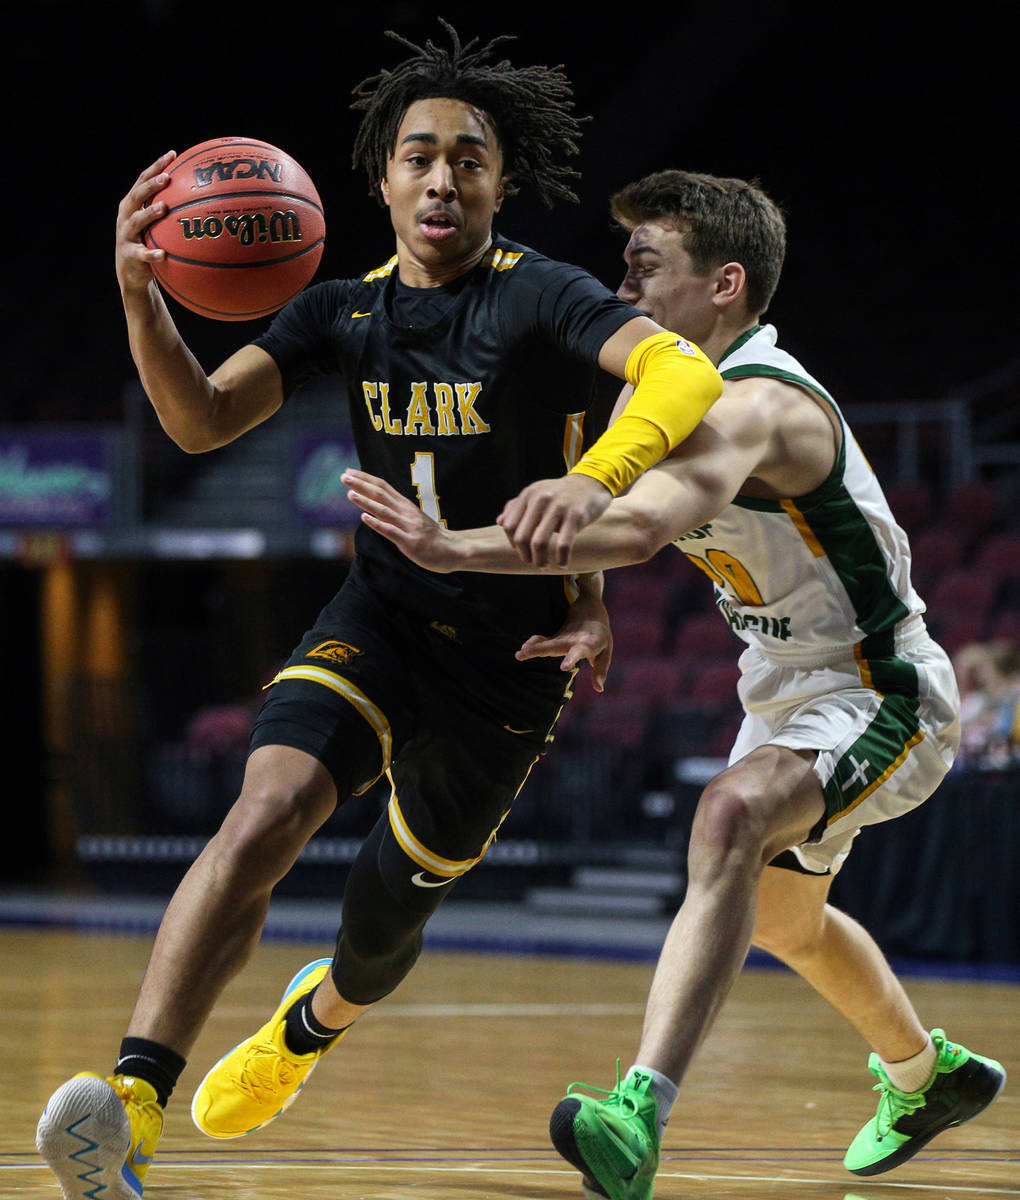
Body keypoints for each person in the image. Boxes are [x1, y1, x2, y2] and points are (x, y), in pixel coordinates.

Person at [35, 28, 725, 1200]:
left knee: (378, 931)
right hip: (384, 613)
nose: (443, 177)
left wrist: (595, 481)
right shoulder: (340, 313)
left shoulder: (543, 298)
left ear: (500, 185)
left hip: (512, 656)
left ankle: (309, 1026)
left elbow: (684, 375)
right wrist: (140, 299)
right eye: (419, 156)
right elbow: (199, 422)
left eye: (470, 157)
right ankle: (133, 1105)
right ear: (383, 178)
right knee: (264, 812)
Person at [342, 168, 1007, 1199]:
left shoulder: (758, 409)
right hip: (787, 692)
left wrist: (451, 550)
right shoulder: (669, 396)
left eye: (644, 266)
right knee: (784, 922)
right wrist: (590, 600)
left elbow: (643, 520)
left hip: (883, 692)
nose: (624, 287)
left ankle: (638, 1110)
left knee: (728, 817)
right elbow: (616, 506)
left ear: (725, 284)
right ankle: (930, 1078)